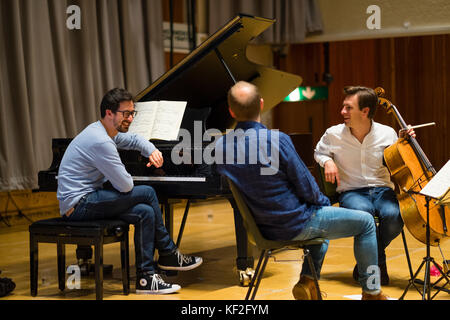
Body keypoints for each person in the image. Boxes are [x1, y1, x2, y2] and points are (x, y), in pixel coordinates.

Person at [215, 81, 388, 300]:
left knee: (321, 227)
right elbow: (307, 186)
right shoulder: (277, 140)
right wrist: (324, 206)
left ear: (231, 111)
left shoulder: (220, 148)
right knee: (366, 222)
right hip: (295, 224)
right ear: (261, 104)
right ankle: (372, 291)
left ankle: (308, 283)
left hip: (259, 229)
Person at [57, 88, 202, 295]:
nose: (131, 118)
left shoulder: (103, 131)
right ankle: (169, 253)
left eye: (133, 113)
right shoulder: (101, 141)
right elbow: (125, 186)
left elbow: (134, 140)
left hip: (87, 199)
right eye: (126, 114)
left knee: (145, 211)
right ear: (109, 113)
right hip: (79, 205)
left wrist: (151, 149)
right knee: (148, 193)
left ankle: (145, 278)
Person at [314, 86, 415, 285]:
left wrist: (405, 142)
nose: (342, 112)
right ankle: (375, 269)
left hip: (383, 190)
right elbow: (319, 152)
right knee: (364, 214)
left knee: (395, 217)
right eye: (343, 107)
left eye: (348, 108)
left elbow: (399, 160)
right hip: (352, 192)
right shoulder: (333, 134)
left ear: (365, 111)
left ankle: (368, 262)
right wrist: (327, 161)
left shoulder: (388, 134)